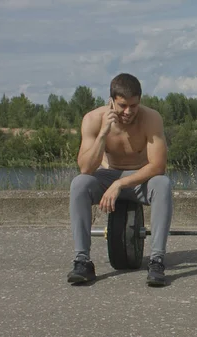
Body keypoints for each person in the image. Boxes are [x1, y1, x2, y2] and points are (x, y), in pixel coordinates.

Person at [66, 73, 173, 287]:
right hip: (107, 175)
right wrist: (103, 133)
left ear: (139, 101)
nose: (128, 112)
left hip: (141, 178)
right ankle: (82, 261)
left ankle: (157, 260)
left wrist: (120, 184)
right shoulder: (93, 119)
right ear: (111, 100)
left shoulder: (151, 118)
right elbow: (86, 168)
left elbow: (158, 166)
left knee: (163, 183)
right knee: (79, 183)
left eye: (133, 105)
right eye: (122, 105)